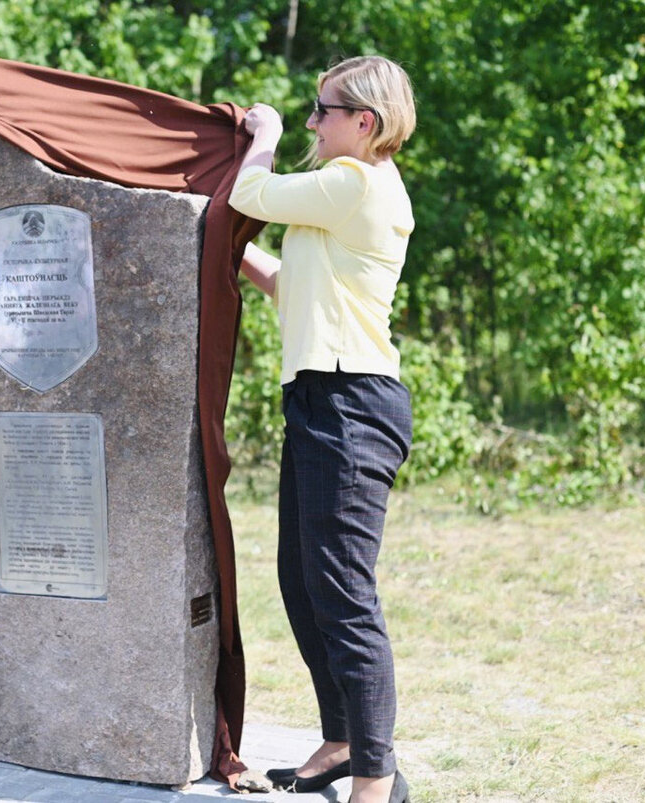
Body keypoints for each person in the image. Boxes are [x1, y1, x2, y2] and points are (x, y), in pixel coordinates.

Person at [228, 56, 417, 803]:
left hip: (353, 402)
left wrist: (263, 132)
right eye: (305, 111)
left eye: (321, 108)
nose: (310, 120)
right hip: (318, 397)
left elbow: (251, 189)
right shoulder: (337, 197)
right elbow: (288, 284)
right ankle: (340, 739)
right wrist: (220, 244)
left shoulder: (355, 182)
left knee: (342, 593)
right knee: (304, 584)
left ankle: (377, 776)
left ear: (363, 122)